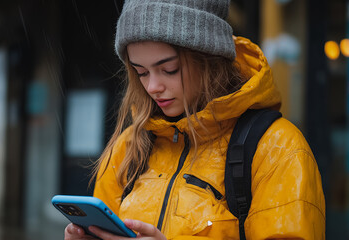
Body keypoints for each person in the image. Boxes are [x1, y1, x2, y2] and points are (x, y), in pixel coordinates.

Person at [65, 0, 325, 239]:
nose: (153, 86)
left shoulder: (277, 148)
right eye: (141, 72)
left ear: (209, 59)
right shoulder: (130, 147)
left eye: (169, 69)